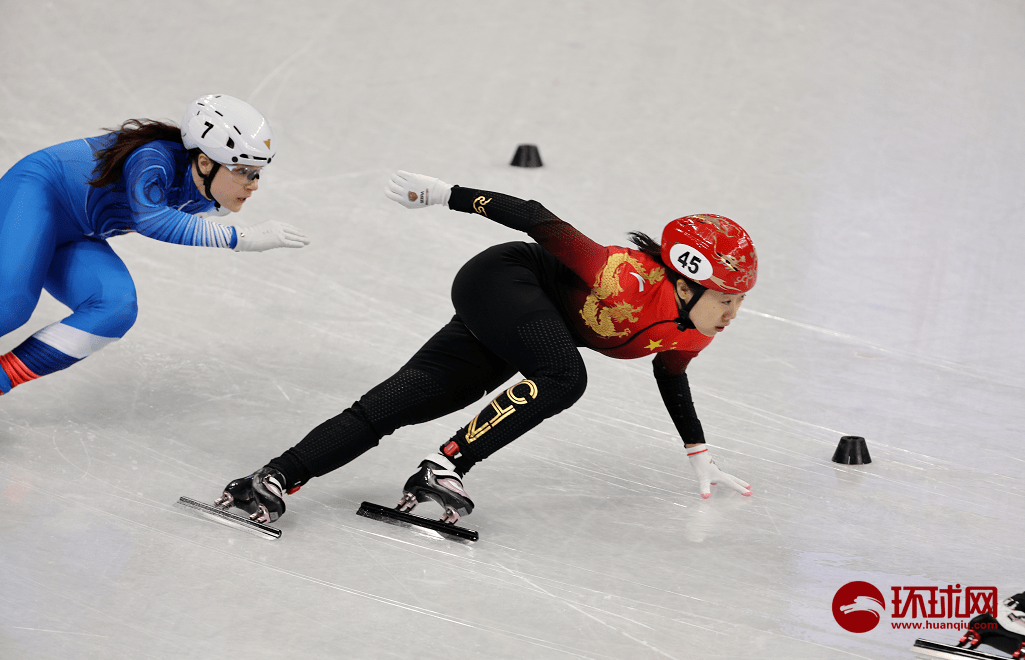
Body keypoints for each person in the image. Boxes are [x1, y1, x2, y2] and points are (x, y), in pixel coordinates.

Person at [217, 170, 756, 525]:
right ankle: (443, 466)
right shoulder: (625, 279)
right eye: (727, 297)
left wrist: (698, 452)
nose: (733, 314)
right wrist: (442, 194)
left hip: (527, 331)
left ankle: (269, 480)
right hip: (504, 279)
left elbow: (671, 375)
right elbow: (539, 219)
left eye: (740, 300)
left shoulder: (696, 329)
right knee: (567, 376)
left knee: (402, 402)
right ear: (686, 283)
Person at [0, 94, 310, 397]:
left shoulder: (215, 201)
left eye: (258, 172)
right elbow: (151, 220)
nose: (254, 184)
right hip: (35, 192)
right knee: (11, 305)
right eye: (243, 170)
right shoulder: (154, 157)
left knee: (115, 307)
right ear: (204, 161)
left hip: (78, 233)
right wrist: (242, 238)